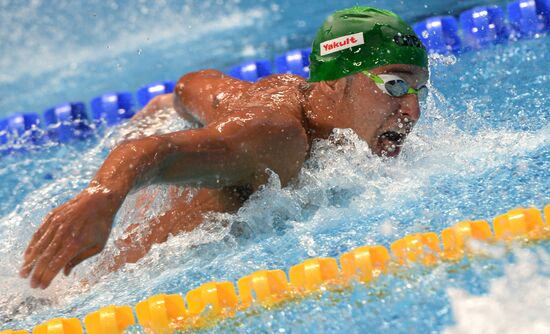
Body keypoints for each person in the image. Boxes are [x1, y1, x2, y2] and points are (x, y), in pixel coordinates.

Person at [20, 6, 429, 289]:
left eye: (418, 90)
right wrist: (103, 197)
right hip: (86, 285)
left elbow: (191, 85)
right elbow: (146, 152)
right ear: (336, 82)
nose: (411, 108)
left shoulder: (282, 92)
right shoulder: (274, 135)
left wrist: (168, 104)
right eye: (394, 85)